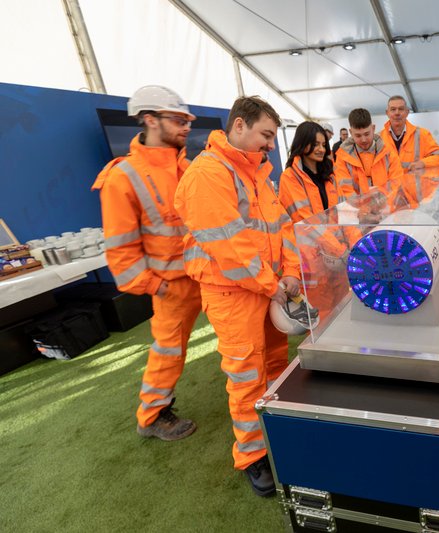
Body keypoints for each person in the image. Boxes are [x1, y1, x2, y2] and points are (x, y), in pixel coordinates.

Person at [174, 96, 302, 498]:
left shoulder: (255, 174)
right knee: (247, 376)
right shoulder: (208, 174)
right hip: (233, 293)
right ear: (239, 125)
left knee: (277, 365)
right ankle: (252, 456)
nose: (270, 145)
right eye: (266, 135)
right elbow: (230, 247)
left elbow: (283, 228)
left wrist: (293, 272)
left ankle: (277, 432)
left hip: (268, 288)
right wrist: (274, 285)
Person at [91, 85, 202, 442]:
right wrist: (156, 286)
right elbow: (120, 250)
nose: (186, 126)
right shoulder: (123, 176)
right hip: (172, 286)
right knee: (168, 351)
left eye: (187, 119)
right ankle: (152, 415)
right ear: (150, 119)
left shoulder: (185, 166)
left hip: (208, 273)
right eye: (179, 119)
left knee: (242, 337)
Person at [278, 121, 348, 318]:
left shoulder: (330, 175)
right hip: (312, 259)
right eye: (315, 144)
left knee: (343, 308)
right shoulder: (290, 178)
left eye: (323, 144)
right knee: (323, 314)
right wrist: (340, 250)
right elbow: (307, 221)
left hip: (337, 257)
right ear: (303, 143)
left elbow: (344, 212)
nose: (321, 148)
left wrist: (353, 244)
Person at [334, 108, 404, 203]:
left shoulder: (388, 152)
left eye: (367, 134)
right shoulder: (342, 156)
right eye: (358, 135)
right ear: (350, 132)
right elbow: (345, 188)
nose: (363, 139)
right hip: (357, 213)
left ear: (373, 128)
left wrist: (380, 202)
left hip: (386, 210)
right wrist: (362, 207)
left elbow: (396, 182)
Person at [380, 95, 439, 172]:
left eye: (401, 109)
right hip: (390, 184)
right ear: (387, 113)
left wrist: (423, 163)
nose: (397, 113)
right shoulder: (378, 139)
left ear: (407, 112)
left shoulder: (422, 134)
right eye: (393, 109)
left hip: (414, 183)